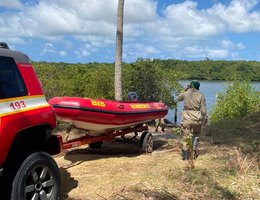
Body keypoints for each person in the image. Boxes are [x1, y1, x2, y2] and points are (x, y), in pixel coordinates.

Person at [177, 80, 208, 160]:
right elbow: (204, 110)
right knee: (196, 135)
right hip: (197, 119)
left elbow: (178, 98)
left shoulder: (185, 93)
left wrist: (184, 89)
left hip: (186, 118)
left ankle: (186, 155)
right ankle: (193, 151)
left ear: (190, 86)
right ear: (198, 87)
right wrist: (205, 119)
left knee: (185, 136)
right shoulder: (201, 95)